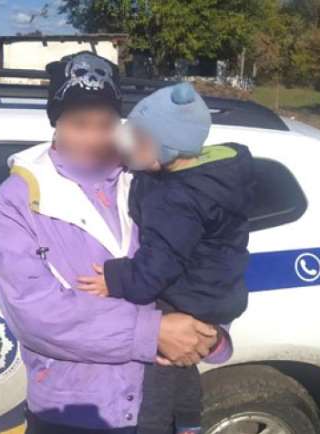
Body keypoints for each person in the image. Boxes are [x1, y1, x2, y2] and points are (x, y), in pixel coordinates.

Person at [0, 51, 232, 434]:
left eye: (105, 124)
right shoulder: (19, 197)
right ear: (56, 123)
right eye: (79, 124)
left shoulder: (151, 177)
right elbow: (34, 312)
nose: (93, 138)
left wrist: (210, 332)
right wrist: (152, 332)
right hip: (73, 411)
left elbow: (209, 253)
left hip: (156, 400)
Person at [76, 82, 254, 434]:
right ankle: (188, 422)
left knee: (157, 374)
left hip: (191, 294)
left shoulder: (176, 201)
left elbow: (155, 269)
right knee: (182, 369)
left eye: (137, 141)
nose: (127, 147)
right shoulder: (207, 170)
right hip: (217, 288)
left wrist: (114, 278)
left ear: (167, 151)